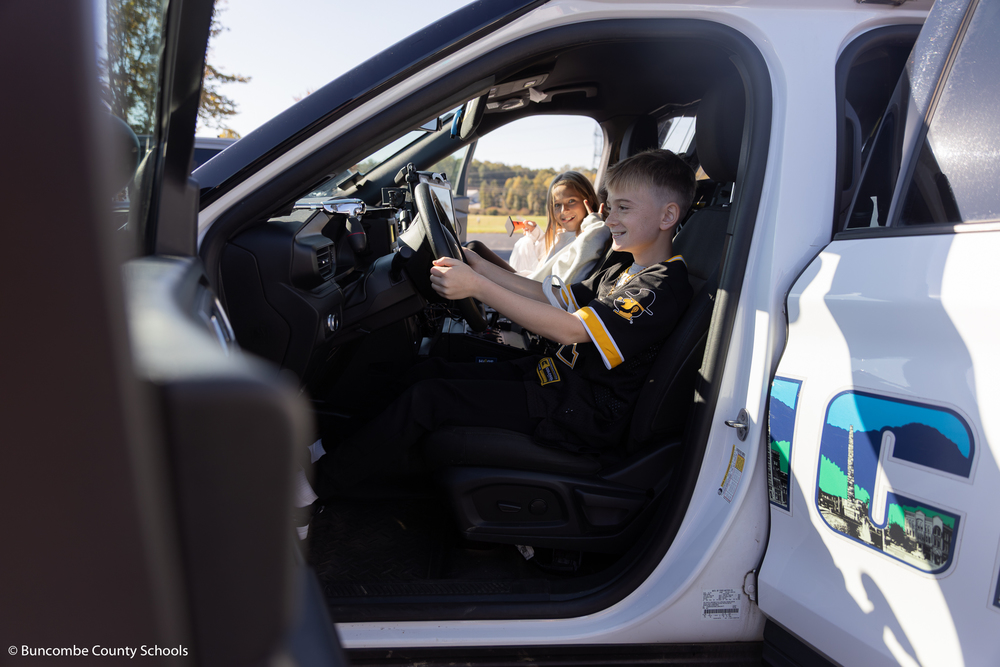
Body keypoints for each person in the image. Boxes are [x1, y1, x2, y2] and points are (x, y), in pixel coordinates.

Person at [314, 149, 695, 498]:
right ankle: (333, 445)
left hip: (578, 413)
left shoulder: (660, 287)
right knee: (428, 369)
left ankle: (313, 492)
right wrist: (480, 266)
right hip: (552, 379)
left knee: (429, 398)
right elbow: (554, 297)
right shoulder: (626, 266)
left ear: (667, 216)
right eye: (610, 208)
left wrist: (477, 286)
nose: (609, 218)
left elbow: (571, 329)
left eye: (623, 209)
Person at [475, 171, 611, 283]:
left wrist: (594, 224)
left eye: (571, 201)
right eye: (557, 204)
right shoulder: (566, 234)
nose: (564, 210)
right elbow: (551, 258)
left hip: (536, 290)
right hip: (532, 283)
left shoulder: (590, 237)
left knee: (475, 249)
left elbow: (590, 243)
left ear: (589, 201)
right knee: (475, 250)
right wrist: (538, 236)